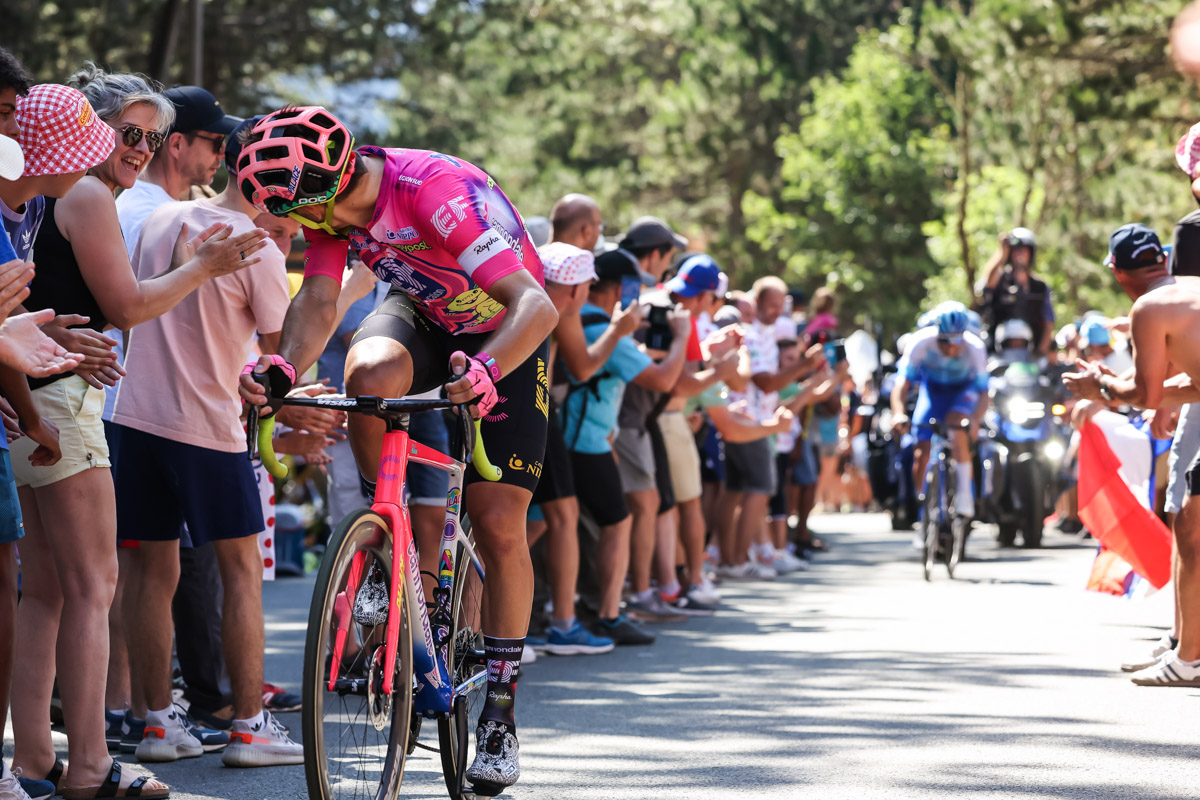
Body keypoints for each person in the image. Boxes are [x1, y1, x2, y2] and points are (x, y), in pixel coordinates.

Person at [234, 106, 557, 794]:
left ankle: (499, 710)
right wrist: (285, 369)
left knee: (499, 523)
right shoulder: (329, 211)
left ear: (329, 183)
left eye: (296, 213)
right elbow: (319, 300)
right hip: (425, 312)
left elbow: (538, 304)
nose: (297, 228)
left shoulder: (433, 194)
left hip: (506, 328)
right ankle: (385, 543)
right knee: (369, 372)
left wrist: (488, 371)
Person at [10, 69, 263, 798]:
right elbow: (125, 307)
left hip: (32, 397)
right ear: (91, 131)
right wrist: (202, 267)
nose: (140, 148)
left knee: (49, 591)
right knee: (95, 586)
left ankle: (35, 756)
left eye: (151, 138)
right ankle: (88, 762)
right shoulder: (86, 194)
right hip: (59, 404)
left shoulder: (62, 197)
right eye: (131, 134)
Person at [110, 106, 296, 770]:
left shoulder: (156, 216)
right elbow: (279, 357)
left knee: (147, 574)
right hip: (206, 428)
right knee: (242, 572)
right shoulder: (255, 243)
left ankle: (156, 723)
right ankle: (249, 728)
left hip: (131, 417)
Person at [1064, 223, 1200, 687]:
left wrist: (1097, 386)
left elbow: (1143, 391)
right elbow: (1188, 385)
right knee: (1186, 518)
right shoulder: (1188, 291)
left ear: (1118, 273)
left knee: (1191, 525)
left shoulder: (1150, 307)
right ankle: (1187, 650)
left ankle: (1190, 657)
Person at [559, 250, 689, 640]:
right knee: (616, 522)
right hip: (583, 441)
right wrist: (683, 336)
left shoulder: (591, 323)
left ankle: (588, 608)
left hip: (589, 438)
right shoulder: (602, 329)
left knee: (562, 526)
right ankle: (608, 614)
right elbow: (665, 380)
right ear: (618, 288)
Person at [525, 241, 620, 655]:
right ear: (579, 289)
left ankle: (483, 625)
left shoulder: (519, 294)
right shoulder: (558, 310)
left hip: (506, 409)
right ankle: (561, 624)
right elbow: (582, 367)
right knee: (558, 517)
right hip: (535, 412)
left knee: (528, 523)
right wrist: (620, 329)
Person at [715, 276, 822, 579]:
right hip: (750, 421)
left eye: (781, 304)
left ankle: (731, 559)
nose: (777, 310)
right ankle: (735, 560)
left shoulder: (765, 333)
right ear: (757, 302)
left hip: (749, 419)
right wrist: (803, 366)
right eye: (772, 304)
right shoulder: (751, 335)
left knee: (735, 491)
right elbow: (764, 382)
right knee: (758, 490)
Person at [890, 305, 989, 520]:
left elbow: (984, 394)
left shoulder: (975, 347)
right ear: (937, 334)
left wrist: (974, 420)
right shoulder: (920, 342)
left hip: (963, 392)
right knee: (921, 451)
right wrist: (898, 413)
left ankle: (964, 497)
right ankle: (923, 511)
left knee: (957, 427)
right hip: (933, 393)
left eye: (956, 341)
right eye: (945, 341)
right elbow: (901, 385)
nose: (952, 348)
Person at [976, 227, 1055, 355]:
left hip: (1030, 355)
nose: (1020, 253)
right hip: (997, 354)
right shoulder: (1000, 280)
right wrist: (1001, 253)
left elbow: (1049, 323)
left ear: (1031, 253)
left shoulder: (1040, 287)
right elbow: (987, 283)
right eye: (1016, 249)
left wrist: (1040, 352)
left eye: (1024, 249)